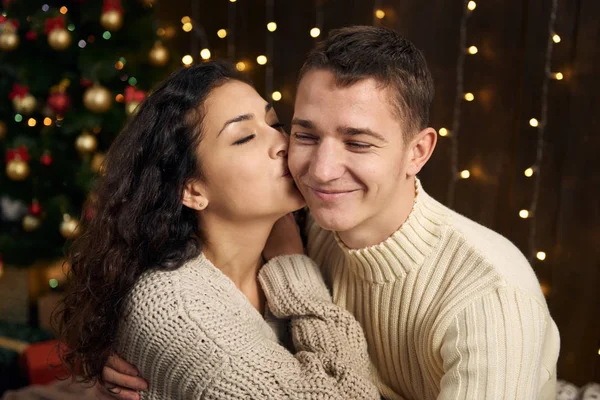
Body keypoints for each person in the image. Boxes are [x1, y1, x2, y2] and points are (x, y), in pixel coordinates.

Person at [101, 26, 561, 400]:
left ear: (417, 152)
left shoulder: (489, 297)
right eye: (304, 134)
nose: (319, 170)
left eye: (358, 143)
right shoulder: (298, 229)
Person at [55, 61, 380, 400]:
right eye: (245, 137)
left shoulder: (320, 225)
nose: (284, 143)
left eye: (274, 123)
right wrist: (293, 265)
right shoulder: (178, 310)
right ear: (192, 190)